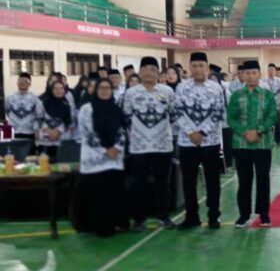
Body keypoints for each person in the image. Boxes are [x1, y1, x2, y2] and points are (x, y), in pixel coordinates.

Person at [122, 56, 176, 231]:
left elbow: (174, 115)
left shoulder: (167, 92)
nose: (149, 72)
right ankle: (139, 219)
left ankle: (164, 216)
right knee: (139, 184)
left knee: (163, 184)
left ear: (158, 72)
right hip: (139, 147)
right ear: (140, 71)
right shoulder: (131, 93)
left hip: (163, 146)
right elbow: (126, 116)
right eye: (145, 69)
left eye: (153, 69)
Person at [174, 52, 226, 230]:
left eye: (201, 65)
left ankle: (213, 216)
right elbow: (177, 111)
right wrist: (191, 132)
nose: (197, 69)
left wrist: (201, 132)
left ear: (207, 66)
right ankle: (192, 216)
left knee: (212, 181)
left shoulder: (216, 88)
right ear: (190, 67)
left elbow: (218, 112)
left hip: (210, 141)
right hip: (187, 142)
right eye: (194, 65)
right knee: (189, 181)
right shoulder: (181, 87)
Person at [227, 60, 277, 228]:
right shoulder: (236, 95)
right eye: (246, 73)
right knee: (244, 179)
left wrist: (259, 130)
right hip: (241, 144)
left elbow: (272, 116)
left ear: (259, 74)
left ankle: (264, 213)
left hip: (262, 144)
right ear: (242, 75)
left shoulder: (267, 94)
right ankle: (244, 214)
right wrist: (244, 132)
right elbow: (231, 118)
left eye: (253, 73)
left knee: (263, 179)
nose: (250, 76)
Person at [77, 77, 127, 237]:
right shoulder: (87, 109)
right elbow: (88, 132)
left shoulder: (116, 109)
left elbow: (122, 130)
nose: (105, 91)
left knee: (113, 192)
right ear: (96, 90)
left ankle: (115, 222)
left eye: (108, 88)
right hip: (95, 159)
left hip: (114, 159)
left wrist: (117, 148)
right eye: (101, 88)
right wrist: (106, 149)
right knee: (97, 194)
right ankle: (98, 226)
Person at [36, 80, 74, 160]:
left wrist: (57, 131)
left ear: (64, 90)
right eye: (55, 88)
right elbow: (39, 119)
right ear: (51, 90)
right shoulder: (43, 103)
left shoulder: (67, 105)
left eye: (61, 88)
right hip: (45, 139)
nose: (58, 91)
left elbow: (67, 122)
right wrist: (49, 131)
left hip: (60, 140)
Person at [4, 72, 41, 141]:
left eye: (25, 81)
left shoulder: (35, 98)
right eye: (20, 81)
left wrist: (37, 130)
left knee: (29, 151)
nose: (22, 83)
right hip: (14, 131)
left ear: (30, 84)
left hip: (29, 132)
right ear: (17, 83)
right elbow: (7, 111)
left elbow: (38, 115)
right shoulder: (9, 97)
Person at [261, 63, 280, 147]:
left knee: (279, 125)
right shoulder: (263, 81)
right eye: (269, 70)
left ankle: (279, 140)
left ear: (275, 71)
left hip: (278, 106)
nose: (270, 71)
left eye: (272, 70)